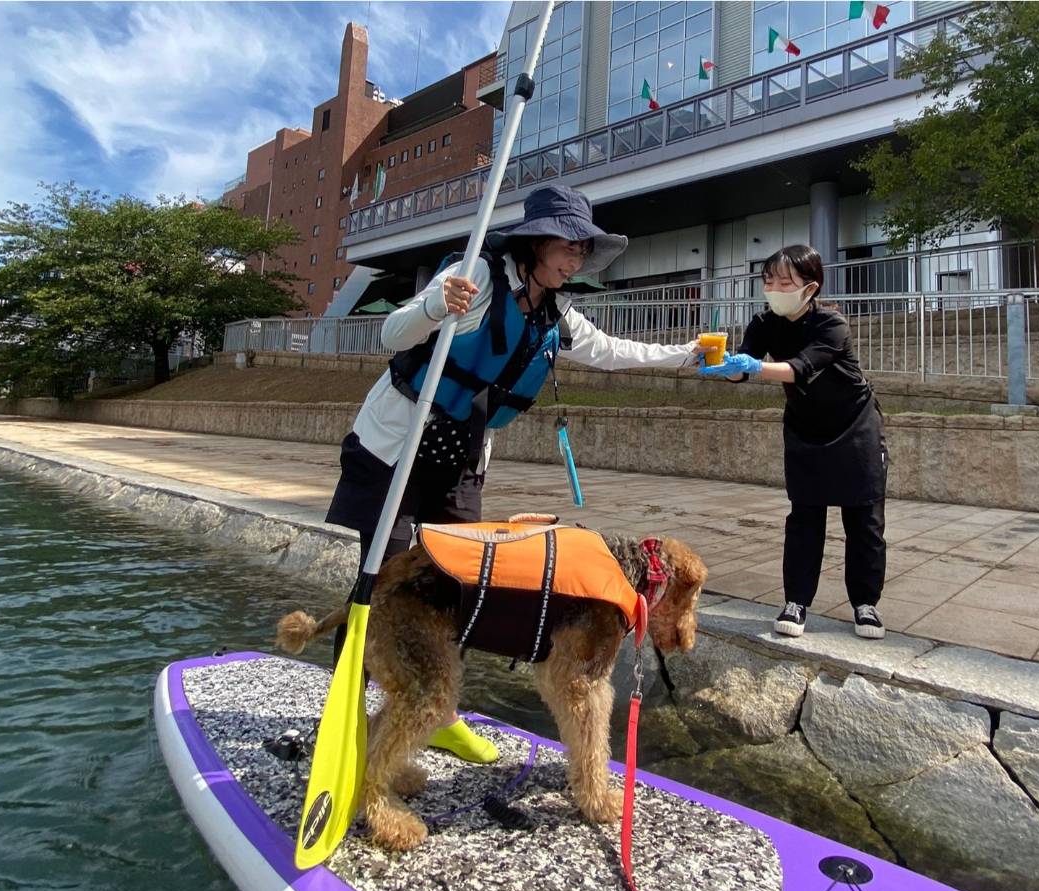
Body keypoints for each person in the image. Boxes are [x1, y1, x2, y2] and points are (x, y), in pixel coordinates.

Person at [326, 184, 701, 762]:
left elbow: (610, 351)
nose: (576, 260)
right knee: (383, 583)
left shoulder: (557, 312)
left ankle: (440, 713)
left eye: (583, 250)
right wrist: (434, 306)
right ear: (533, 243)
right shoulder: (475, 275)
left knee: (459, 586)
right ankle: (345, 710)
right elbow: (391, 333)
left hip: (460, 455)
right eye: (567, 246)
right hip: (395, 449)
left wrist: (685, 355)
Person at [700, 244, 887, 640]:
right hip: (805, 428)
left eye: (785, 281)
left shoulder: (831, 325)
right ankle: (796, 601)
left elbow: (799, 369)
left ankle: (865, 604)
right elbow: (744, 370)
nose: (774, 288)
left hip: (855, 427)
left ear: (810, 287)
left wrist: (754, 366)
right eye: (769, 281)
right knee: (804, 518)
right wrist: (726, 367)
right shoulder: (764, 322)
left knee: (864, 520)